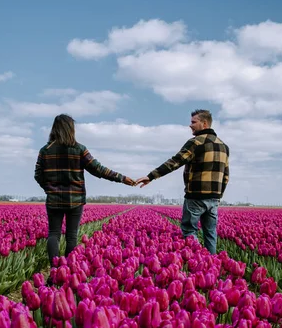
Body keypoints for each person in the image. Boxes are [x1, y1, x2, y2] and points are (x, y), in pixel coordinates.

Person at [34, 114, 135, 265]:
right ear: (71, 129)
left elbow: (38, 174)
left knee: (53, 234)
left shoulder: (45, 150)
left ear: (54, 129)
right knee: (71, 236)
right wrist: (121, 177)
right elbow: (98, 169)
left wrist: (49, 188)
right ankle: (66, 270)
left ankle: (55, 269)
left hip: (54, 199)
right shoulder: (79, 149)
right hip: (75, 200)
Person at [135, 109, 229, 254]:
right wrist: (218, 196)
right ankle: (212, 264)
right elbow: (226, 175)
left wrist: (151, 176)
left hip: (195, 196)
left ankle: (198, 263)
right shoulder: (223, 146)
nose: (190, 125)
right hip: (214, 198)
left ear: (204, 123)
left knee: (189, 230)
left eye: (193, 122)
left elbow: (175, 162)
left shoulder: (195, 142)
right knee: (210, 233)